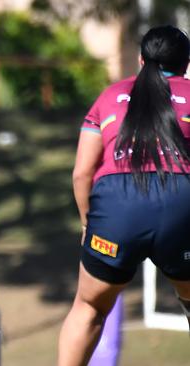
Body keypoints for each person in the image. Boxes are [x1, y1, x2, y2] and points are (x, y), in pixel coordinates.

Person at [58, 25, 190, 366]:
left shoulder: (109, 95)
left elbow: (81, 173)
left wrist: (89, 224)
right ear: (186, 64)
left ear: (141, 59)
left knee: (89, 308)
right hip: (180, 202)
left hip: (116, 207)